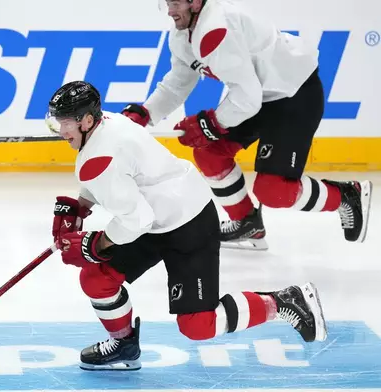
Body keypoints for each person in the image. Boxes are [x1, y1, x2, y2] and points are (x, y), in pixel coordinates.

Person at [46, 80, 327, 371]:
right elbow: (119, 175)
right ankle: (124, 345)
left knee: (198, 325)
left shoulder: (97, 157)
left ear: (88, 120)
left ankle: (283, 302)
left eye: (65, 122)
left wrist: (96, 244)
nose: (59, 130)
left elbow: (134, 219)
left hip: (188, 222)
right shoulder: (109, 122)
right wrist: (82, 205)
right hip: (156, 219)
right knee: (97, 278)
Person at [121, 0, 372, 250]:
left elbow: (246, 98)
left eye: (175, 3)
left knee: (273, 191)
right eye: (167, 3)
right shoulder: (183, 34)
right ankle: (247, 224)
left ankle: (346, 195)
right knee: (209, 152)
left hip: (294, 95)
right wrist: (146, 112)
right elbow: (179, 82)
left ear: (195, 3)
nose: (170, 10)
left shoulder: (216, 29)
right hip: (259, 97)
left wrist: (209, 124)